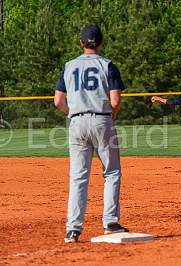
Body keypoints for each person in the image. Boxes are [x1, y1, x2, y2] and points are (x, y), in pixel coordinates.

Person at [54, 24, 128, 243]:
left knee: (78, 176)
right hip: (102, 119)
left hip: (76, 122)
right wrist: (110, 117)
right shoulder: (107, 65)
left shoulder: (68, 66)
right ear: (101, 43)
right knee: (111, 172)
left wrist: (73, 113)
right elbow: (115, 101)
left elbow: (58, 101)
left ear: (81, 42)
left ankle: (73, 229)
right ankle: (110, 222)